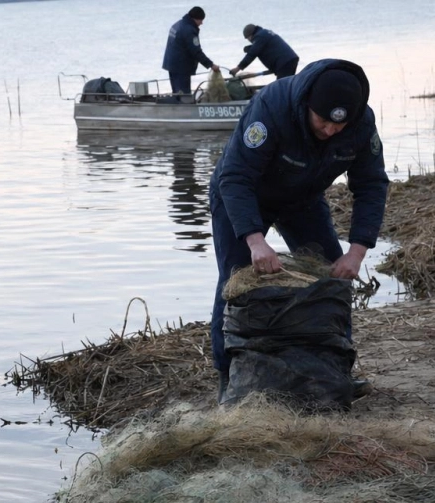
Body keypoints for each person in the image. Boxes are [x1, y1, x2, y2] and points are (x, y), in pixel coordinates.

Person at [208, 59, 389, 400]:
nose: (331, 131)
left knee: (332, 279)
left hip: (302, 200)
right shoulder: (272, 107)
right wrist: (255, 240)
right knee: (234, 281)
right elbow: (236, 176)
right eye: (323, 122)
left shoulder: (362, 124)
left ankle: (336, 370)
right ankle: (228, 376)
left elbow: (372, 185)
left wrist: (357, 249)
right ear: (307, 105)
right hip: (243, 195)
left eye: (340, 126)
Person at [162, 6, 221, 95]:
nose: (201, 23)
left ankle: (177, 106)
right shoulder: (189, 30)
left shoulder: (177, 24)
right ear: (195, 19)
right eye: (201, 20)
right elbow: (196, 52)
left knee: (177, 93)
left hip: (171, 64)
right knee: (184, 95)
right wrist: (211, 65)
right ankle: (184, 107)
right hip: (181, 67)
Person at [229, 24, 299, 79]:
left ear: (250, 35)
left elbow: (252, 54)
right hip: (290, 59)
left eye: (248, 38)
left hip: (284, 62)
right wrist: (250, 48)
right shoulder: (264, 33)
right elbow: (266, 48)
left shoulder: (259, 37)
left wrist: (238, 68)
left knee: (282, 86)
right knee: (288, 84)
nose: (249, 41)